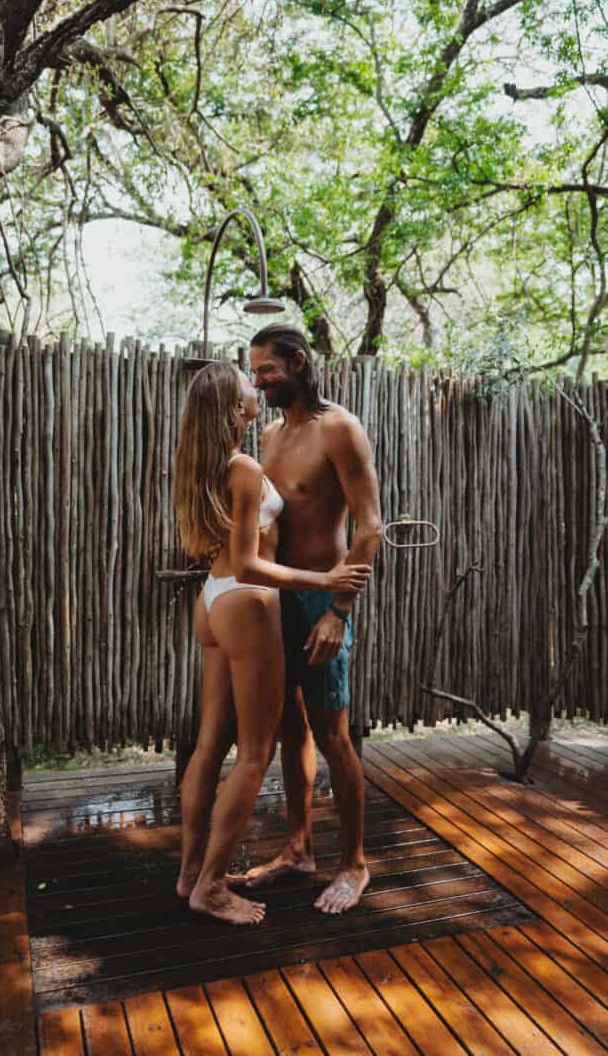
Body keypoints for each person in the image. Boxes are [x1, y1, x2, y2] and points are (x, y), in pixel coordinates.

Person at [173, 361, 372, 926]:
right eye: (247, 384)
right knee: (255, 753)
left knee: (210, 743)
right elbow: (256, 567)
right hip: (247, 604)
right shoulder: (242, 469)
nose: (255, 387)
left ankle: (189, 871)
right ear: (236, 410)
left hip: (212, 601)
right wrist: (326, 581)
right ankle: (209, 887)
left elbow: (214, 552)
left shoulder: (198, 467)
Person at [236, 324, 383, 915]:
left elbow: (371, 527)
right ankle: (298, 849)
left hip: (323, 604)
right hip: (276, 601)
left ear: (298, 363)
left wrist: (339, 613)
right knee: (288, 732)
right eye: (254, 370)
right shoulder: (269, 433)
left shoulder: (340, 429)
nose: (258, 380)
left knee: (334, 736)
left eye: (267, 369)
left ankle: (355, 863)